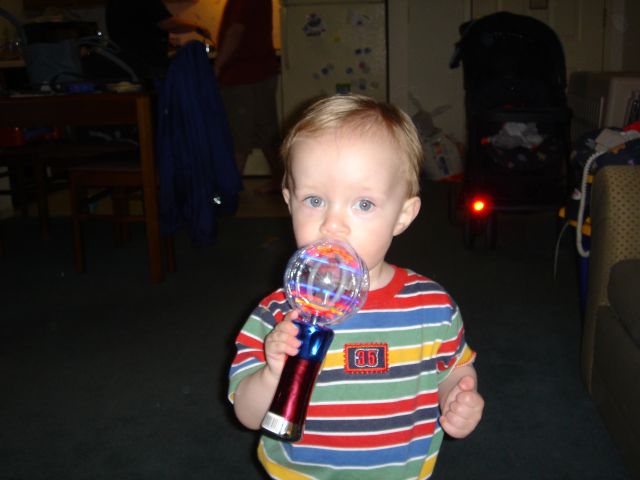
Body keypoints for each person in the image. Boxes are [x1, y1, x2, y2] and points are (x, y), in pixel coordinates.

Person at [228, 94, 485, 479]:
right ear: (289, 202)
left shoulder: (432, 306)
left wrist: (458, 397)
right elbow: (247, 416)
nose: (333, 225)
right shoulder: (278, 312)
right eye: (314, 199)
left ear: (402, 215)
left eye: (363, 204)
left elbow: (452, 369)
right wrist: (271, 374)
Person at [214, 0, 281, 193]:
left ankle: (230, 191)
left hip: (242, 73)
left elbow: (236, 31)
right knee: (267, 130)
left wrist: (218, 66)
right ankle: (281, 182)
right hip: (262, 69)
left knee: (238, 135)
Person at [105, 0, 213, 84]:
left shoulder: (114, 2)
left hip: (126, 63)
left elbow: (135, 27)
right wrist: (197, 26)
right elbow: (168, 23)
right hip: (147, 64)